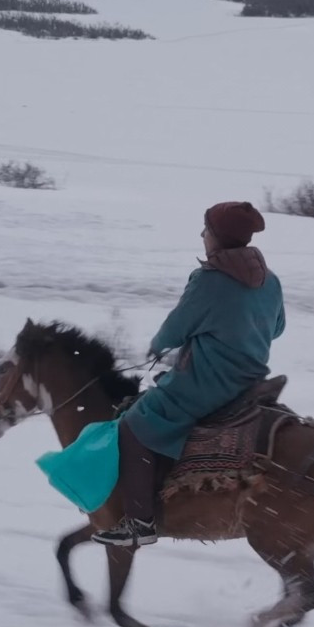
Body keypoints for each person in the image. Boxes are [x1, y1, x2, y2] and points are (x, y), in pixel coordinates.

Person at [93, 202, 286, 547]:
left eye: (206, 230)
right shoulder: (270, 280)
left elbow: (176, 329)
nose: (202, 235)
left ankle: (140, 523)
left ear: (218, 238)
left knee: (134, 425)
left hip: (209, 383)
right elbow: (279, 328)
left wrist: (156, 347)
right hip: (252, 379)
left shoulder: (209, 280)